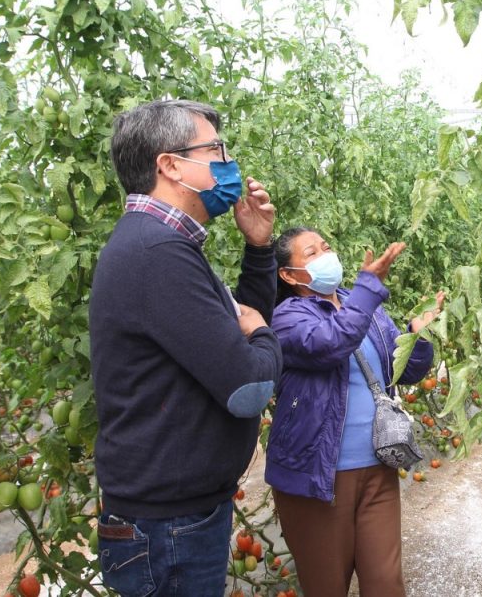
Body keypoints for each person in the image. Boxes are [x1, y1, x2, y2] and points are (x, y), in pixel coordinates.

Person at [89, 100, 283, 597]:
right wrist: (264, 333)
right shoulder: (157, 253)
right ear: (170, 165)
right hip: (169, 530)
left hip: (171, 520)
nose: (228, 162)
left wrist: (259, 250)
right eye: (216, 150)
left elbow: (233, 332)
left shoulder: (158, 243)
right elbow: (248, 386)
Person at [265, 227, 444, 596]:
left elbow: (404, 369)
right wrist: (368, 289)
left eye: (326, 246)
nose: (325, 255)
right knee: (327, 587)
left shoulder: (363, 306)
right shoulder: (286, 317)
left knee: (386, 585)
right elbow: (331, 342)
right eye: (311, 253)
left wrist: (418, 334)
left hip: (378, 468)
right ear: (289, 275)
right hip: (317, 479)